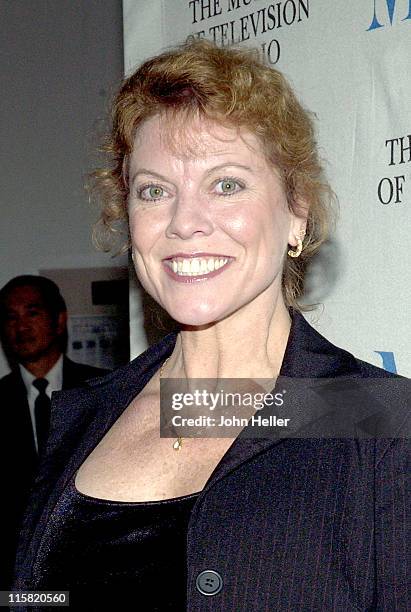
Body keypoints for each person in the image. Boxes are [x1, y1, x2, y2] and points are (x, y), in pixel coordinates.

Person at [13, 41, 409, 611]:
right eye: (155, 191)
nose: (184, 222)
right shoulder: (82, 418)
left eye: (226, 184)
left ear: (296, 211)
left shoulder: (383, 428)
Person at [0, 275, 108, 590]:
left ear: (59, 320)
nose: (21, 326)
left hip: (89, 573)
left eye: (32, 313)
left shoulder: (102, 393)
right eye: (10, 317)